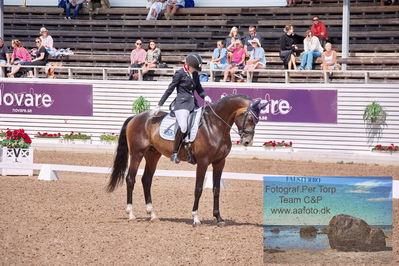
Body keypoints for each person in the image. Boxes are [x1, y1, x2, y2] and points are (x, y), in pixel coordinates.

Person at [155, 53, 212, 163]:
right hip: (181, 105)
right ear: (188, 65)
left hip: (193, 104)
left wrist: (205, 96)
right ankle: (175, 153)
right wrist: (160, 104)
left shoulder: (194, 74)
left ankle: (190, 151)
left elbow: (199, 89)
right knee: (184, 126)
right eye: (194, 68)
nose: (195, 70)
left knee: (198, 126)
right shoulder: (179, 74)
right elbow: (170, 89)